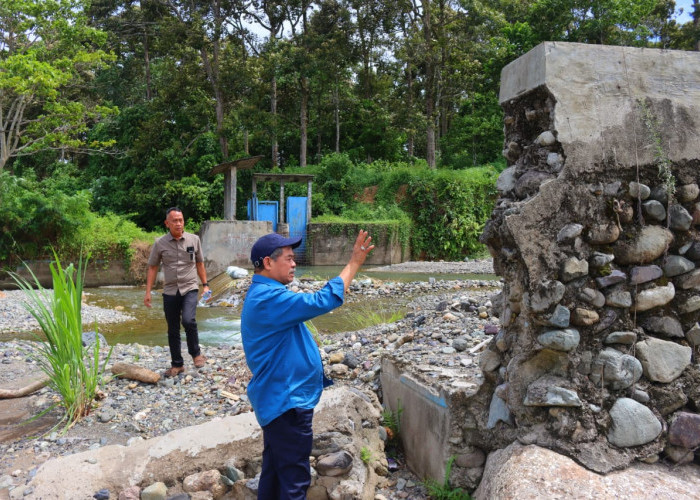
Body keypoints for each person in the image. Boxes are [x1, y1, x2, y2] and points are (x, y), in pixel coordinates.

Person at [241, 229, 374, 499]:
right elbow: (323, 300)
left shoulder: (267, 294)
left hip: (281, 400)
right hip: (287, 403)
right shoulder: (269, 298)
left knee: (275, 474)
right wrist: (354, 263)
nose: (294, 264)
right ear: (268, 262)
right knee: (294, 481)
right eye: (289, 259)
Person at [144, 207, 209, 377]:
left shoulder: (194, 240)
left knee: (188, 320)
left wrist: (206, 285)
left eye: (181, 220)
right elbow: (152, 267)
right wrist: (148, 292)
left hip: (190, 288)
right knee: (172, 328)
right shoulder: (160, 243)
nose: (178, 223)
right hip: (170, 290)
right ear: (167, 223)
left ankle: (196, 354)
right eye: (175, 220)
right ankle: (177, 364)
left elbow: (200, 263)